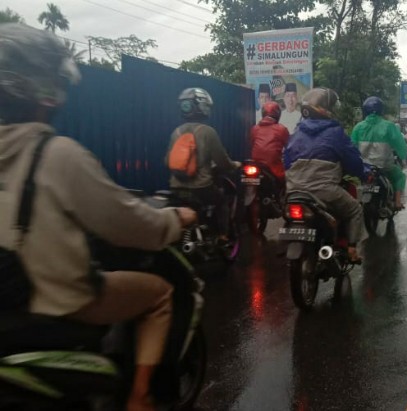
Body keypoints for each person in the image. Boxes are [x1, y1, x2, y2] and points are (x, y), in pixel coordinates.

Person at [0, 24, 197, 411]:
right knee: (161, 294)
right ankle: (141, 396)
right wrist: (176, 220)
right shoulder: (58, 154)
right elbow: (129, 224)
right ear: (44, 91)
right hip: (60, 303)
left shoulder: (178, 132)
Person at [284, 88, 367, 263]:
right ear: (325, 109)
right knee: (355, 210)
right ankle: (352, 249)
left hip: (293, 191)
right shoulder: (336, 134)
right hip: (325, 192)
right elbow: (354, 163)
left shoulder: (296, 133)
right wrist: (362, 174)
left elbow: (286, 162)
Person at [166, 88, 240, 243]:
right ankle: (223, 236)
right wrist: (234, 165)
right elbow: (222, 161)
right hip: (201, 187)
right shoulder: (208, 132)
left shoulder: (176, 132)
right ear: (201, 107)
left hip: (176, 186)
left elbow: (167, 161)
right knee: (222, 203)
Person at [350, 96, 407, 209]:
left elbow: (352, 147)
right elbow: (401, 146)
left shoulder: (358, 127)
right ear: (381, 110)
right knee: (399, 177)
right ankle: (397, 202)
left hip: (364, 168)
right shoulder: (389, 126)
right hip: (384, 166)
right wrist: (405, 157)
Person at [249, 100, 290, 190]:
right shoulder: (282, 129)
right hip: (273, 169)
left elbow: (251, 144)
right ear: (277, 114)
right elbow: (290, 147)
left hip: (255, 167)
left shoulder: (254, 128)